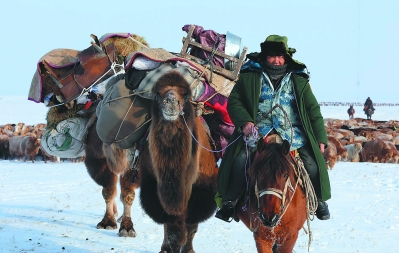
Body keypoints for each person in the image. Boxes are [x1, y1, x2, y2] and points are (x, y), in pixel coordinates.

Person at [215, 35, 331, 222]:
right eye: (272, 56)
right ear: (265, 57)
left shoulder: (298, 79)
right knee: (240, 159)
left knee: (312, 164)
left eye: (280, 57)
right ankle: (230, 201)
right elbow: (235, 101)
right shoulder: (249, 76)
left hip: (292, 135)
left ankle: (318, 200)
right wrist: (245, 122)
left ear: (286, 58)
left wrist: (320, 138)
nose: (277, 60)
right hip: (258, 132)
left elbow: (313, 110)